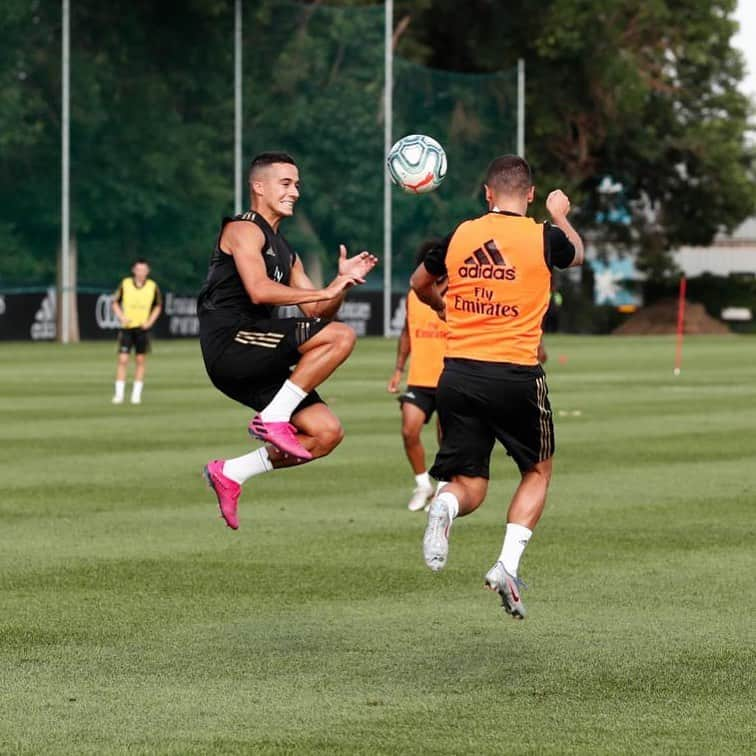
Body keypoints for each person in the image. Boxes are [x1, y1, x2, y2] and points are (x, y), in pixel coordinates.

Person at [410, 154, 584, 619]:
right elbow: (577, 253)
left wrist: (442, 306)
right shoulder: (543, 235)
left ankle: (444, 506)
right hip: (515, 376)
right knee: (538, 471)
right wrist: (561, 214)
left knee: (468, 483)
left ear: (487, 194)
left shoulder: (461, 234)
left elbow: (419, 283)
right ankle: (506, 564)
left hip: (457, 374)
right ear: (528, 194)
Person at [197, 151, 378, 530]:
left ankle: (230, 472)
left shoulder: (286, 250)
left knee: (326, 434)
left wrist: (340, 284)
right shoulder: (243, 228)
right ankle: (274, 417)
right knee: (341, 337)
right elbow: (260, 291)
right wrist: (323, 292)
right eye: (286, 183)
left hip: (257, 351)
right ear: (258, 187)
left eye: (296, 184)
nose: (295, 191)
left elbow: (318, 312)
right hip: (231, 343)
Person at [387, 242, 449, 512]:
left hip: (450, 378)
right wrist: (399, 369)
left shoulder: (459, 294)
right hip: (420, 378)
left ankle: (443, 490)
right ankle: (423, 484)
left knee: (446, 441)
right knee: (408, 430)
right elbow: (406, 333)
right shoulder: (415, 295)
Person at [111, 258, 163, 405]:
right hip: (127, 328)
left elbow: (158, 306)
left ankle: (136, 395)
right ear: (134, 270)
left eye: (143, 270)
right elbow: (114, 302)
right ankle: (119, 395)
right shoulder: (125, 284)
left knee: (140, 360)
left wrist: (150, 322)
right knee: (123, 359)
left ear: (148, 271)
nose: (141, 272)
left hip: (142, 329)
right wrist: (121, 317)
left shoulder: (152, 287)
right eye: (138, 269)